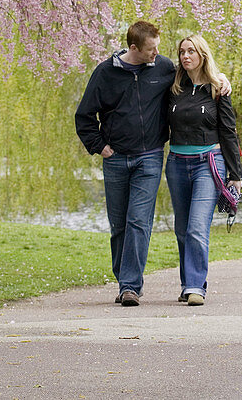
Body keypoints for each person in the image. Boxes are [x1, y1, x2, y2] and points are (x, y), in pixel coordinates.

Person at [75, 20, 173, 307]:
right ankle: (125, 280)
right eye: (151, 49)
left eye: (158, 48)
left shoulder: (163, 68)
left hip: (150, 156)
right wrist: (100, 147)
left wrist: (220, 80)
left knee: (138, 221)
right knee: (118, 224)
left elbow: (193, 80)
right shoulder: (105, 74)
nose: (157, 54)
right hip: (116, 158)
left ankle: (130, 285)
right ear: (134, 48)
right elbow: (84, 117)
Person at [165, 35, 242, 306]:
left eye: (192, 52)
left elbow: (229, 132)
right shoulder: (173, 86)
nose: (186, 56)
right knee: (182, 229)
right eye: (182, 52)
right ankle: (188, 284)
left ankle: (196, 287)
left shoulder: (217, 88)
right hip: (176, 163)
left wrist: (236, 175)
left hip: (209, 163)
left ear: (203, 55)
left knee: (198, 227)